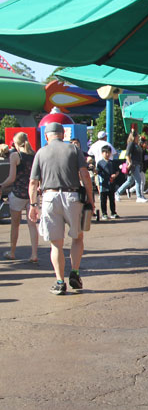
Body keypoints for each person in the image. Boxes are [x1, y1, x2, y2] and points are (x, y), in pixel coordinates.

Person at [28, 121, 95, 294]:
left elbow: (33, 182)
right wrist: (90, 198)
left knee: (56, 244)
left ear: (46, 136)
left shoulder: (41, 153)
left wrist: (34, 205)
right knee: (77, 237)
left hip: (50, 197)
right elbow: (85, 174)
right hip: (72, 196)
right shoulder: (73, 149)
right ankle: (75, 272)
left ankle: (59, 281)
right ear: (63, 135)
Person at [0, 131, 39, 262]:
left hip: (17, 194)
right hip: (31, 194)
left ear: (16, 143)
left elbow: (11, 178)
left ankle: (12, 252)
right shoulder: (34, 155)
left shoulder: (15, 156)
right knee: (32, 225)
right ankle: (34, 254)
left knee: (15, 225)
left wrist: (1, 185)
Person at [116, 131, 147, 202]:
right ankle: (138, 196)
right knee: (138, 180)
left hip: (137, 164)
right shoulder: (131, 144)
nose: (138, 137)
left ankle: (117, 192)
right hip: (133, 165)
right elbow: (127, 154)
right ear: (134, 137)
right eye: (137, 136)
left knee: (129, 181)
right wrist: (129, 162)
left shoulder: (137, 145)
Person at [96, 145, 120, 220]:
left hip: (111, 183)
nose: (107, 154)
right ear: (102, 153)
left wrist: (115, 175)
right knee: (103, 200)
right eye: (105, 152)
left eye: (109, 152)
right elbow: (97, 172)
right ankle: (104, 213)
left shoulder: (112, 162)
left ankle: (113, 212)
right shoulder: (100, 163)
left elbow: (117, 171)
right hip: (103, 184)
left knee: (112, 199)